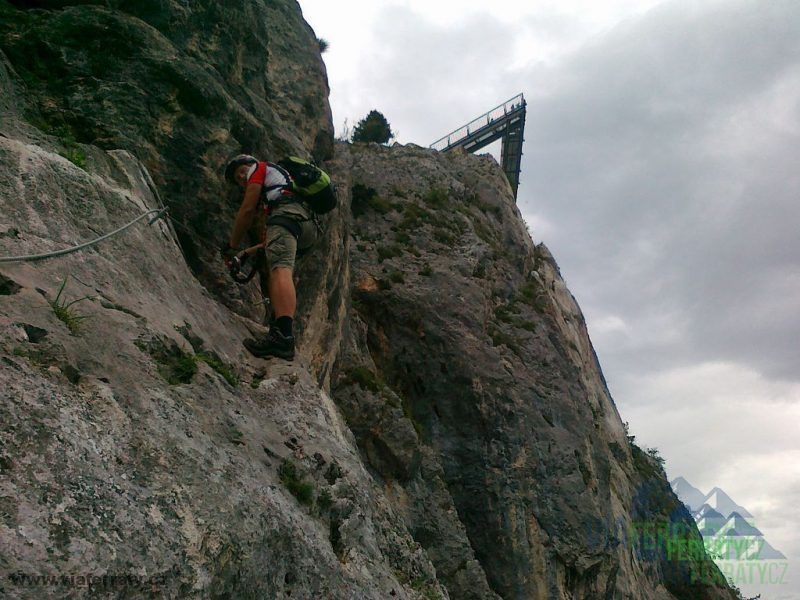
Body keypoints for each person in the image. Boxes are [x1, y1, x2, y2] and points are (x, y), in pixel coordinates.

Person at [222, 154, 318, 360]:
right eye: (238, 179)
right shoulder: (281, 185)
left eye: (241, 172)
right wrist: (245, 253)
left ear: (250, 164)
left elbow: (247, 210)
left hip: (287, 217)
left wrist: (231, 246)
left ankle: (283, 337)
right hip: (306, 226)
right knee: (279, 270)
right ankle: (278, 330)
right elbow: (272, 243)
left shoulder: (259, 169)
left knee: (280, 270)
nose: (242, 178)